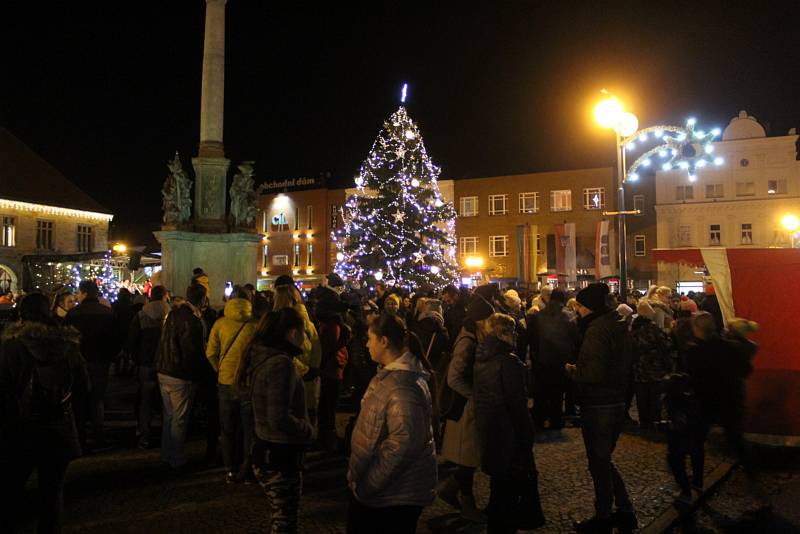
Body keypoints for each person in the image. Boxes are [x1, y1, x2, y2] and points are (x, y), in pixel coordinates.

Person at [1, 293, 89, 534]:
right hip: (58, 424)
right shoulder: (67, 345)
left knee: (12, 487)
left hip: (22, 426)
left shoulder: (12, 346)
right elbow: (83, 386)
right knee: (52, 492)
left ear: (21, 314)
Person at [347, 314, 437, 533]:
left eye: (370, 338)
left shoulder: (402, 387)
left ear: (384, 341)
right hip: (388, 493)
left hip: (393, 496)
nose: (367, 344)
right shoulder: (391, 378)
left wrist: (367, 486)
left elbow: (404, 444)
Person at [566, 283, 637, 533]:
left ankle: (604, 516)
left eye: (581, 307)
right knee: (603, 460)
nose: (578, 312)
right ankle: (625, 510)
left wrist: (575, 372)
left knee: (598, 462)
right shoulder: (619, 324)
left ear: (591, 307)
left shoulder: (596, 330)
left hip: (599, 402)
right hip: (616, 399)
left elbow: (594, 372)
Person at [236, 307, 313, 534]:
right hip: (279, 453)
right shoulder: (281, 364)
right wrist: (307, 430)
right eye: (303, 332)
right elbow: (278, 417)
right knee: (285, 522)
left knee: (281, 518)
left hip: (267, 448)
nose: (305, 337)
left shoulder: (265, 357)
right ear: (291, 334)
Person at [474, 313, 545, 533]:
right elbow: (517, 405)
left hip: (491, 431)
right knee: (509, 493)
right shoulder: (508, 362)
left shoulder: (482, 359)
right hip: (509, 434)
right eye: (512, 332)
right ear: (502, 333)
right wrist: (527, 435)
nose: (515, 336)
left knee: (499, 488)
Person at [437, 291, 495, 522]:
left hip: (470, 407)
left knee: (469, 459)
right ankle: (466, 503)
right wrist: (474, 396)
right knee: (468, 458)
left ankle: (452, 492)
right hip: (465, 408)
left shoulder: (473, 337)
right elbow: (454, 377)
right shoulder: (467, 341)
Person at [154, 283, 210, 469]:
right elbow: (192, 351)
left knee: (169, 415)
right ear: (202, 299)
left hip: (164, 368)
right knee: (179, 418)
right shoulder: (192, 320)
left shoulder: (173, 314)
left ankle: (166, 452)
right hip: (180, 373)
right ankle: (176, 457)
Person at [206, 286, 258, 483]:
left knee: (227, 427)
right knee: (248, 428)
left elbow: (210, 352)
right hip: (247, 382)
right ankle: (247, 469)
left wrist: (220, 368)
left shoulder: (220, 324)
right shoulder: (255, 324)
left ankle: (230, 469)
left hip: (225, 381)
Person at [65, 279, 120, 450]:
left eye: (79, 293)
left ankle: (80, 436)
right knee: (98, 398)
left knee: (79, 399)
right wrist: (111, 356)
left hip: (79, 360)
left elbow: (66, 338)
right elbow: (116, 338)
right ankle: (98, 434)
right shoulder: (108, 312)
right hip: (100, 360)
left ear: (84, 293)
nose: (77, 296)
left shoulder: (73, 313)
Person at [127, 285, 171, 449]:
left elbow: (132, 339)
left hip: (145, 362)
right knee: (167, 403)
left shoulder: (141, 315)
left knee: (145, 401)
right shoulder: (171, 313)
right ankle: (167, 437)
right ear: (165, 296)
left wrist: (133, 358)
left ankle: (144, 436)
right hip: (166, 363)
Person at [528, 289, 577, 430]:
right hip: (560, 361)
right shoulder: (568, 316)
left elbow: (532, 338)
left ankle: (539, 420)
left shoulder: (539, 315)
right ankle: (556, 420)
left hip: (541, 360)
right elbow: (575, 338)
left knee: (541, 393)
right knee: (557, 393)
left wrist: (534, 356)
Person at [315, 287, 351, 452]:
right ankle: (328, 441)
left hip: (330, 368)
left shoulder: (326, 323)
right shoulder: (332, 325)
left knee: (327, 406)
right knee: (328, 406)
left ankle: (326, 437)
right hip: (331, 370)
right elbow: (331, 347)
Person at [630, 301, 673, 430]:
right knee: (654, 395)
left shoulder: (633, 328)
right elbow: (665, 344)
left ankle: (644, 420)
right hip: (654, 366)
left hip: (639, 367)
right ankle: (655, 420)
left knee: (642, 395)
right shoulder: (652, 328)